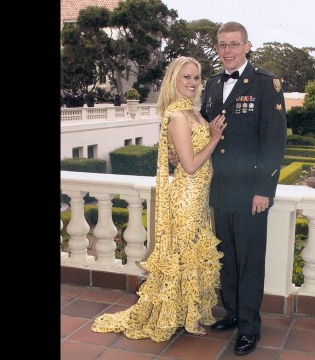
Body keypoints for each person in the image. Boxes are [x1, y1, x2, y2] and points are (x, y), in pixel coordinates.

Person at [91, 56, 227, 342]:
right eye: (186, 77)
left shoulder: (192, 112)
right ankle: (184, 318)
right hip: (187, 198)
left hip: (198, 198)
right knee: (185, 258)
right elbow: (190, 166)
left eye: (196, 77)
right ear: (173, 80)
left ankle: (184, 313)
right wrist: (214, 138)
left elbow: (180, 157)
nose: (192, 82)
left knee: (189, 257)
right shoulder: (177, 116)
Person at [201, 21, 287, 356]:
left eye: (234, 44)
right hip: (220, 190)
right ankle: (232, 312)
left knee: (250, 260)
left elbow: (273, 141)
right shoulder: (210, 85)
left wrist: (264, 189)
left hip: (252, 192)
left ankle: (250, 327)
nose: (228, 51)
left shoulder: (266, 84)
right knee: (227, 257)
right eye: (222, 45)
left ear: (247, 46)